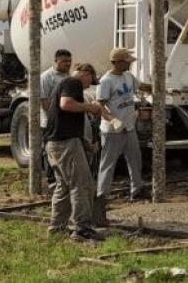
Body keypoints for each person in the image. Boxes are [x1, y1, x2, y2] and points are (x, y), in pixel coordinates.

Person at [44, 63, 104, 241]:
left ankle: (57, 227)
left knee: (63, 187)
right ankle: (82, 228)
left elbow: (63, 119)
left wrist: (82, 140)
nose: (89, 85)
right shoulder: (73, 82)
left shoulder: (64, 84)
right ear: (86, 74)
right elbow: (66, 104)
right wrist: (89, 107)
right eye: (91, 80)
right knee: (82, 184)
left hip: (56, 143)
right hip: (65, 144)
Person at [95, 48, 151, 204]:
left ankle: (137, 190)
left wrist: (157, 86)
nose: (129, 65)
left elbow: (141, 87)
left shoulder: (128, 76)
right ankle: (102, 195)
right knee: (108, 163)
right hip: (113, 131)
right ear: (117, 62)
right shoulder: (107, 81)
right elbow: (100, 105)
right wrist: (112, 120)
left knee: (135, 159)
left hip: (129, 126)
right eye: (126, 62)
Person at [41, 49, 72, 189]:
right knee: (50, 151)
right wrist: (53, 119)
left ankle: (64, 178)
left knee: (64, 151)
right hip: (50, 122)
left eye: (69, 61)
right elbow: (44, 101)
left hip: (65, 122)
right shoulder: (47, 77)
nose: (68, 64)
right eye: (64, 61)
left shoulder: (68, 76)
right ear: (56, 61)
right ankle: (51, 179)